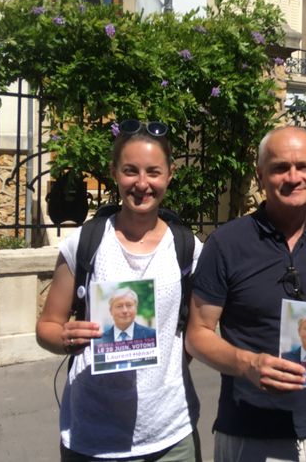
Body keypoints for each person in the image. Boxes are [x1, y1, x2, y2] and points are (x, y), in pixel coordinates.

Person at [185, 126, 306, 462]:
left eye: (303, 167)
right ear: (260, 175)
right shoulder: (226, 244)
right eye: (280, 167)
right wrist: (247, 363)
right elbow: (197, 335)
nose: (293, 177)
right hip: (249, 432)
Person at [36, 119, 203, 462]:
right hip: (93, 434)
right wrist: (64, 336)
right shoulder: (86, 242)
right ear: (114, 172)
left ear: (170, 174)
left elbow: (197, 330)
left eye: (153, 172)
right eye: (131, 171)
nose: (142, 183)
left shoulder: (187, 248)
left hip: (170, 434)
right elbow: (47, 326)